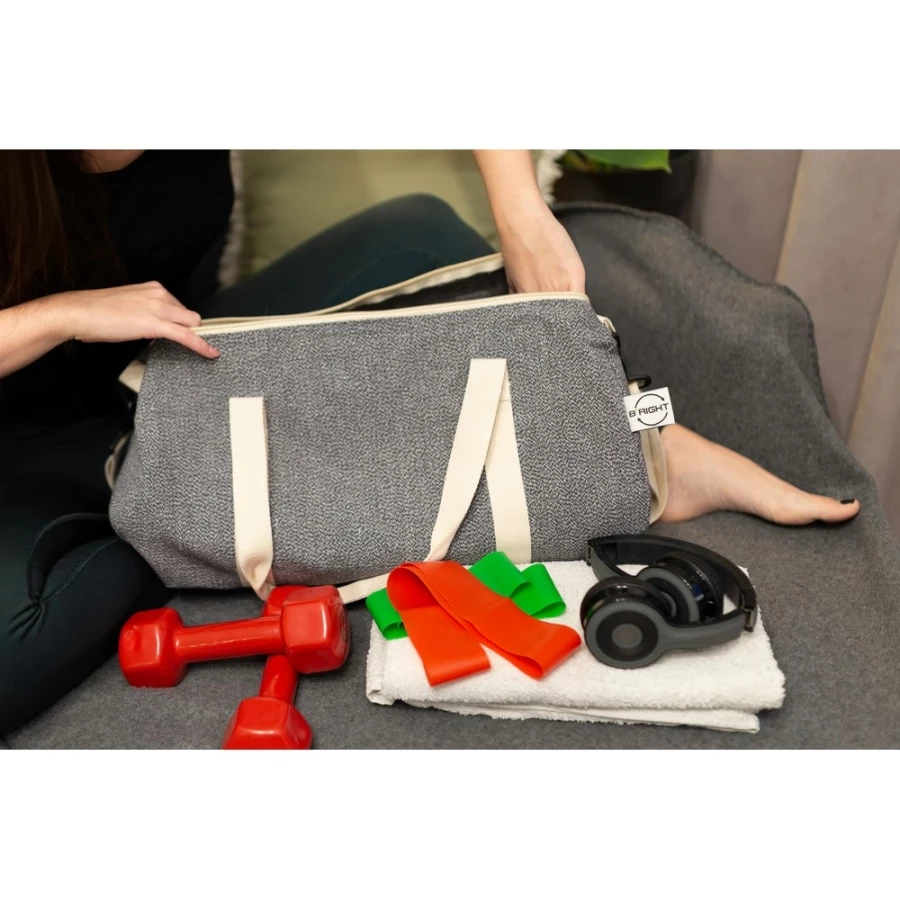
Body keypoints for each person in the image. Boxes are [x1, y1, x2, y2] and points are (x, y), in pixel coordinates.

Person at [0, 149, 858, 734]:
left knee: (423, 233)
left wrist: (520, 212)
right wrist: (59, 316)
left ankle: (655, 439)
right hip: (28, 435)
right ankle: (156, 511)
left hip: (183, 354)